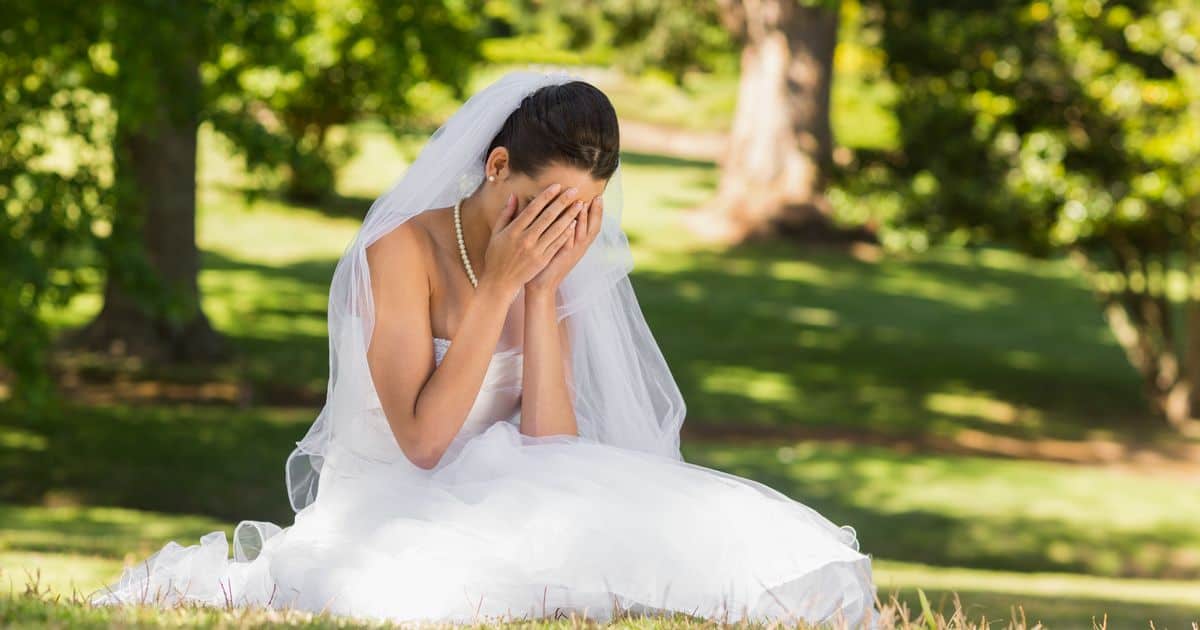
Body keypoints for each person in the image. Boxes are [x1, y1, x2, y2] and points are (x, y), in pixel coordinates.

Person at [92, 69, 879, 628]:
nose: (557, 231)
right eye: (543, 207)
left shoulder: (549, 268)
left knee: (704, 538)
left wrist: (541, 291)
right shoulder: (398, 255)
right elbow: (426, 443)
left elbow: (553, 449)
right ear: (496, 167)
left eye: (583, 213)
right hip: (395, 501)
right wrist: (500, 287)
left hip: (509, 486)